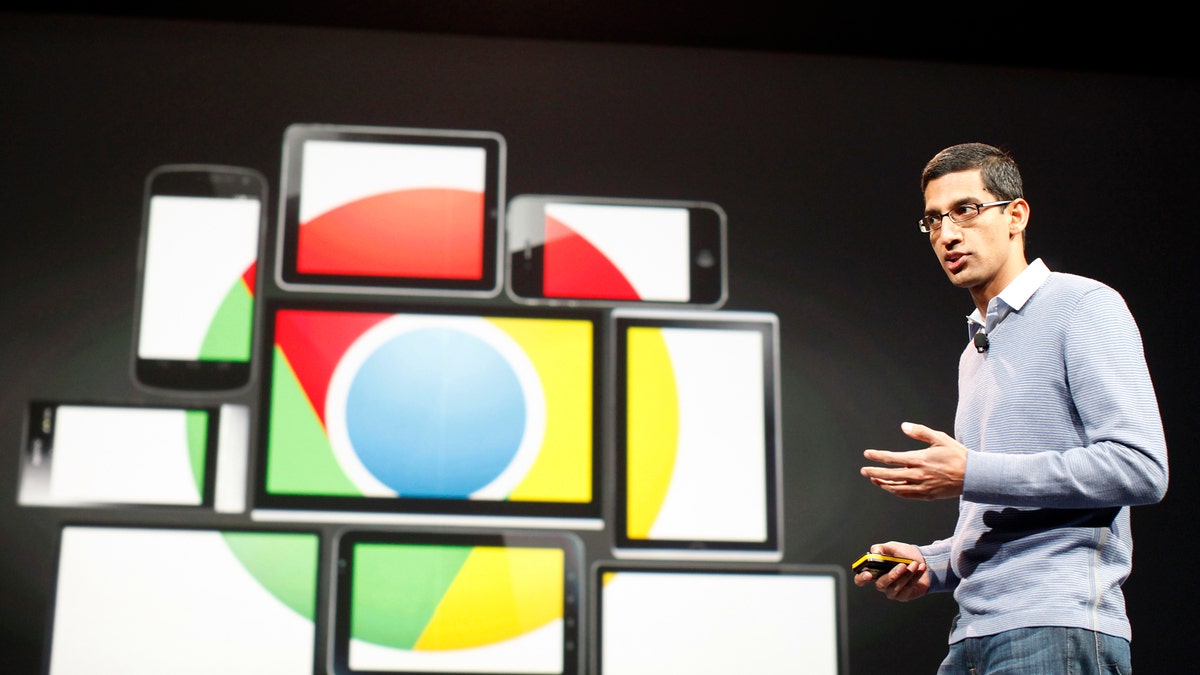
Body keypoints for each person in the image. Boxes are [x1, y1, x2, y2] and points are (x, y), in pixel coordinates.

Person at [856, 142, 1168, 674]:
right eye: (933, 220)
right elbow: (1005, 507)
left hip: (1055, 627)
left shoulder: (1081, 305)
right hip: (972, 634)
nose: (947, 234)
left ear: (1016, 215)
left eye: (966, 210)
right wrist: (934, 562)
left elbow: (1140, 468)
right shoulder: (974, 351)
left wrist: (972, 471)